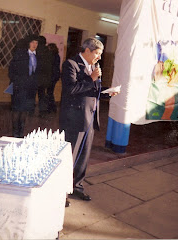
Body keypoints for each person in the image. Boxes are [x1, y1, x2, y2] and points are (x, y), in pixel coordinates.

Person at [59, 37, 118, 204]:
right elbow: (71, 89)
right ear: (87, 50)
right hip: (74, 119)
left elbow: (94, 90)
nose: (99, 57)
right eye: (97, 53)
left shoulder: (94, 67)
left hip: (90, 118)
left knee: (84, 156)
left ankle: (77, 187)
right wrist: (91, 78)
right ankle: (62, 191)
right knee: (71, 156)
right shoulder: (71, 64)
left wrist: (107, 92)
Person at [8, 34, 41, 138]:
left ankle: (21, 132)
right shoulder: (20, 54)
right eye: (32, 42)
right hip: (19, 87)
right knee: (17, 110)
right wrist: (18, 82)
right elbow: (11, 70)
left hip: (30, 89)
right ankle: (15, 133)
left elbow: (39, 73)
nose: (34, 45)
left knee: (25, 111)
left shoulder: (38, 56)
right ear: (28, 43)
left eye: (36, 43)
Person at [37, 36, 54, 116]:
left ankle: (30, 110)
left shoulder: (38, 51)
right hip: (46, 77)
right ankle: (43, 111)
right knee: (42, 94)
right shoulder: (49, 52)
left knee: (33, 94)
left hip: (38, 76)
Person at [47, 43, 61, 113]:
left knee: (49, 92)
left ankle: (52, 107)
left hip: (52, 76)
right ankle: (52, 107)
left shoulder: (52, 56)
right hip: (55, 76)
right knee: (50, 92)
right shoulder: (57, 55)